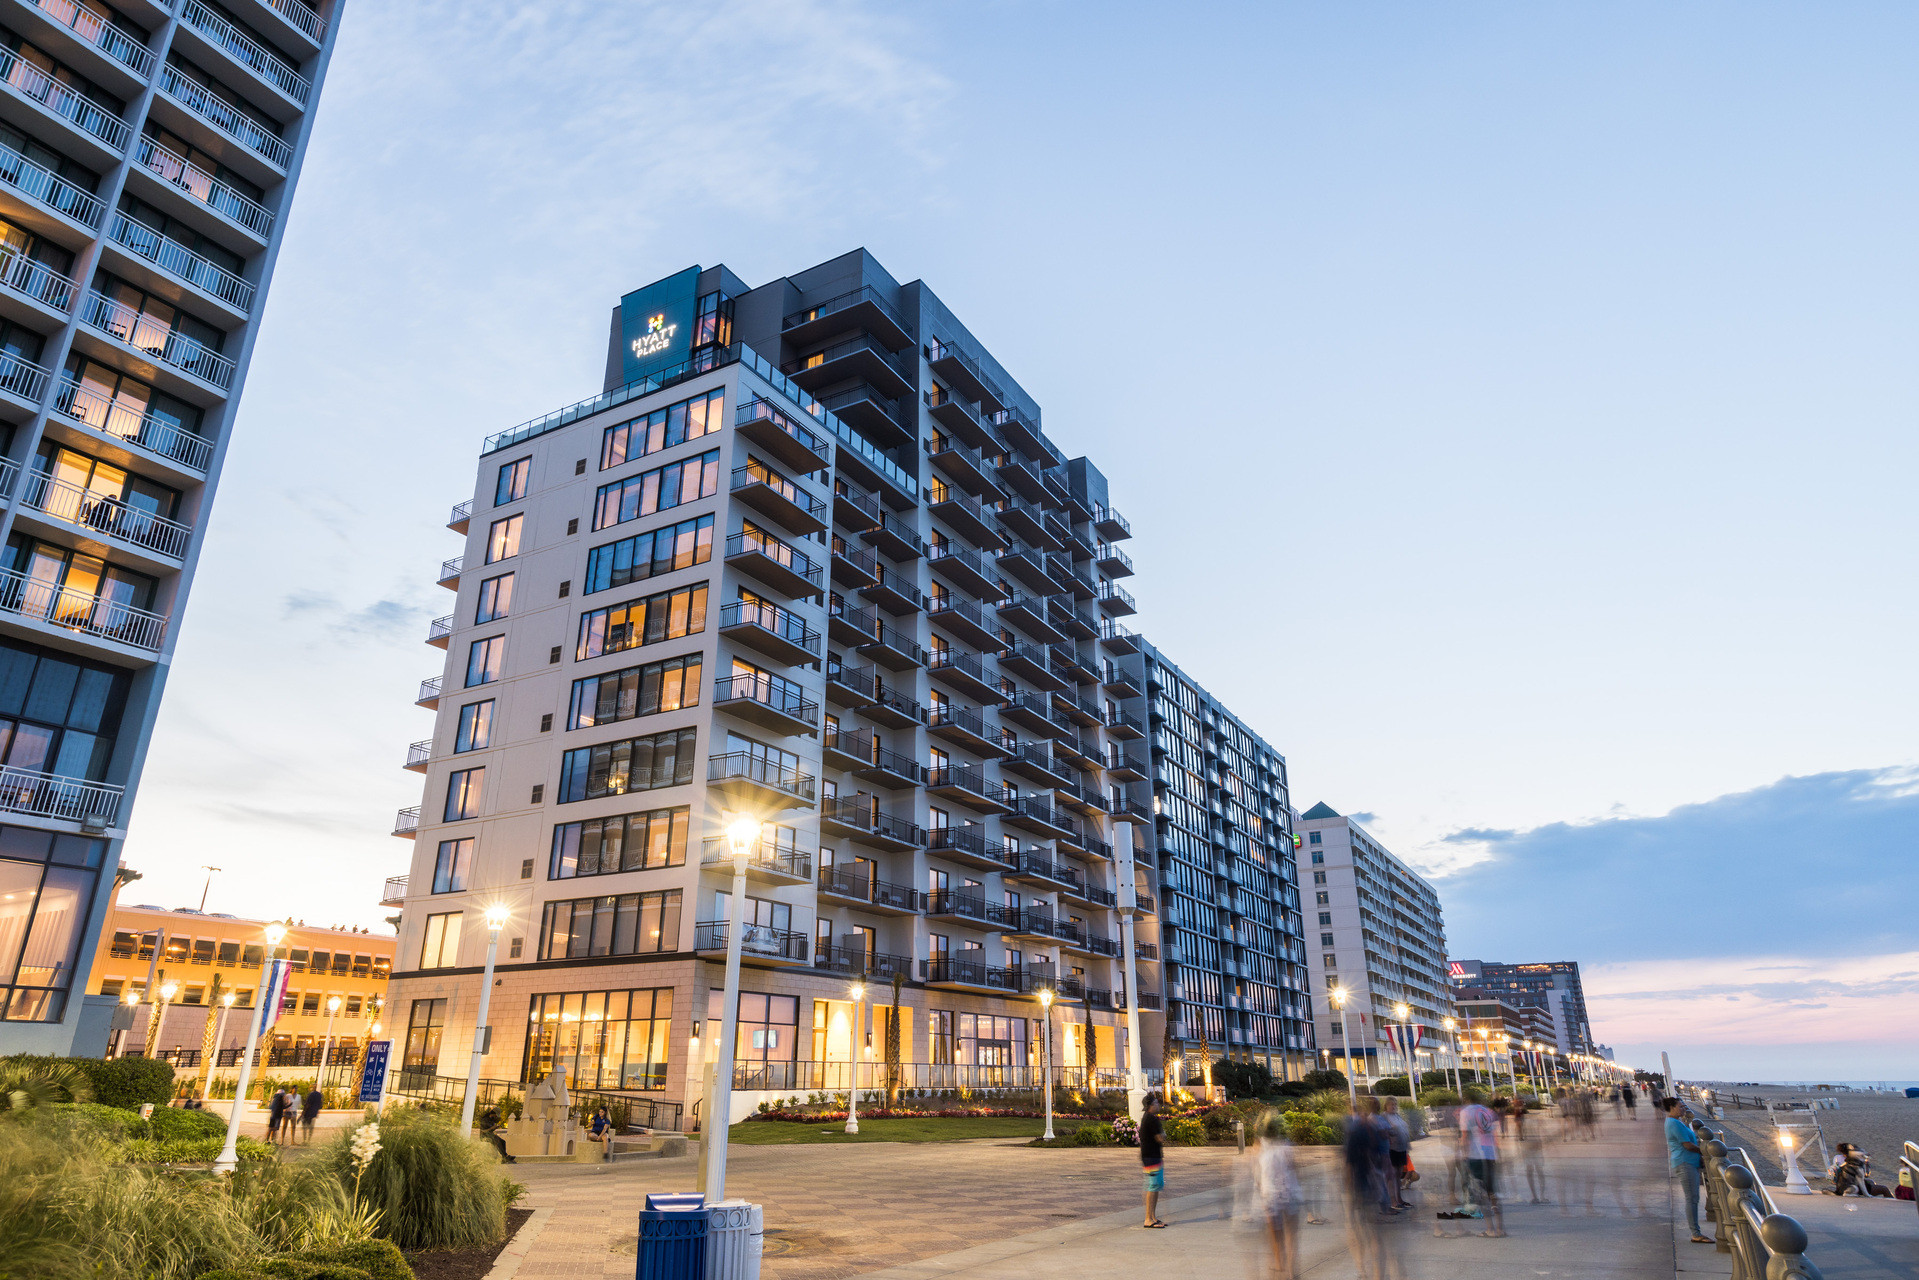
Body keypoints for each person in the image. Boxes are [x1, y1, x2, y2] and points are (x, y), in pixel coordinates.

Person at [1251, 1113, 1303, 1279]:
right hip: (1289, 1192)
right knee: (1291, 1235)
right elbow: (1295, 1169)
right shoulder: (1286, 1145)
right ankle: (1292, 1268)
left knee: (1276, 1236)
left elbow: (1256, 1173)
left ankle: (1280, 1265)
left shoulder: (1259, 1146)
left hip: (1270, 1194)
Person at [1663, 1099, 1710, 1243]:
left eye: (1683, 1106)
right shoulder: (1673, 1124)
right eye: (1680, 1106)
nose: (1683, 1108)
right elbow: (1688, 1145)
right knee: (1692, 1198)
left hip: (1689, 1162)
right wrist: (1705, 1151)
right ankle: (1695, 1233)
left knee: (1693, 1198)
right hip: (1684, 1163)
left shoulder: (1676, 1122)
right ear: (1672, 1107)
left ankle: (1696, 1232)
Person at [1457, 1094, 1505, 1236]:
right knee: (1492, 1192)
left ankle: (1490, 1229)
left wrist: (1464, 1156)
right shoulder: (1487, 1111)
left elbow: (1465, 1136)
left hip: (1476, 1155)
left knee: (1481, 1193)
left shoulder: (1466, 1112)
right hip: (1490, 1153)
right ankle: (1500, 1229)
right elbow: (1493, 1133)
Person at [1139, 1095, 1167, 1227]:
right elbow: (1160, 1138)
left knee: (1155, 1186)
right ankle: (1148, 1219)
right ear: (1151, 1105)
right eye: (1156, 1102)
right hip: (1151, 1157)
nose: (1158, 1104)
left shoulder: (1147, 1118)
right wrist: (1163, 1135)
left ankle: (1153, 1217)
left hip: (1151, 1156)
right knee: (1152, 1186)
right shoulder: (1151, 1119)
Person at [1382, 1097, 1413, 1209]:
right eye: (1391, 1104)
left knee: (1398, 1175)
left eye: (1395, 1104)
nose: (1394, 1106)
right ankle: (1393, 1201)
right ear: (1386, 1106)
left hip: (1401, 1148)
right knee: (1392, 1175)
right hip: (1392, 1149)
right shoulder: (1384, 1116)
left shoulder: (1397, 1116)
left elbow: (1404, 1129)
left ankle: (1399, 1199)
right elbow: (1384, 1131)